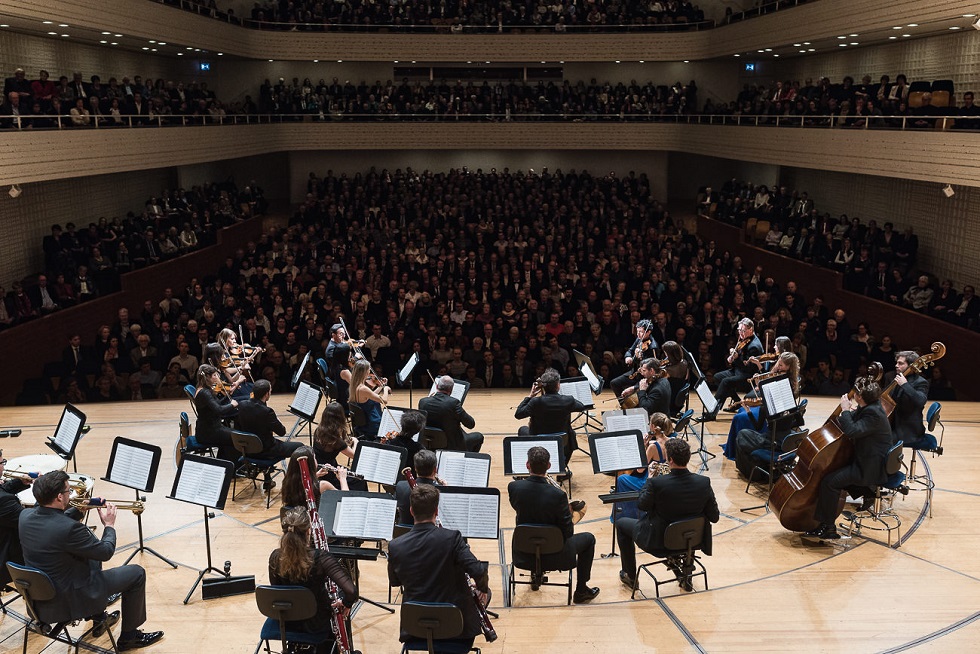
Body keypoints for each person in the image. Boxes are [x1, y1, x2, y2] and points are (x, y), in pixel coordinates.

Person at [19, 470, 164, 650]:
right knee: (136, 573)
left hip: (37, 600)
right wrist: (109, 525)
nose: (70, 493)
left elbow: (53, 524)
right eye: (68, 491)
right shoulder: (69, 529)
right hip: (70, 600)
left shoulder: (25, 517)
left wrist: (78, 510)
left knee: (88, 558)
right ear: (58, 497)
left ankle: (99, 618)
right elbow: (105, 552)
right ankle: (129, 636)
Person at [387, 484, 490, 653]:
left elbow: (395, 582)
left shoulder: (395, 546)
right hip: (456, 629)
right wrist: (482, 589)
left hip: (415, 626)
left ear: (411, 511)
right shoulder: (452, 538)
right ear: (436, 511)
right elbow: (478, 572)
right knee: (483, 594)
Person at [616, 439, 719, 591]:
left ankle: (630, 576)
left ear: (670, 460)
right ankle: (685, 572)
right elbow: (714, 517)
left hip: (660, 542)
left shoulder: (657, 483)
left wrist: (650, 478)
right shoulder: (703, 482)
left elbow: (642, 505)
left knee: (621, 523)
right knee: (686, 523)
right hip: (691, 540)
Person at [804, 375, 893, 541]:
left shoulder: (873, 413)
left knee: (829, 482)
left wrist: (845, 410)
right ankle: (825, 522)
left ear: (859, 397)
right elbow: (853, 422)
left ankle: (828, 527)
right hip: (865, 461)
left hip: (868, 468)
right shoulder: (870, 406)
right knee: (830, 477)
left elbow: (852, 431)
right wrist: (847, 414)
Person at [507, 446, 599, 604]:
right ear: (549, 466)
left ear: (527, 465)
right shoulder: (558, 495)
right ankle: (581, 590)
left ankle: (534, 574)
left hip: (524, 553)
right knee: (589, 539)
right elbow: (568, 532)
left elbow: (522, 508)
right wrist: (567, 512)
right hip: (556, 555)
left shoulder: (514, 487)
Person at [269, 507, 358, 654]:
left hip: (287, 621)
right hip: (315, 623)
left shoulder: (275, 557)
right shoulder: (321, 558)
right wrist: (346, 603)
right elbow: (351, 591)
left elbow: (277, 591)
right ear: (308, 531)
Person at [722, 351, 800, 460]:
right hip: (785, 437)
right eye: (778, 364)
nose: (777, 368)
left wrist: (748, 410)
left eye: (781, 365)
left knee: (742, 435)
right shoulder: (789, 395)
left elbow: (758, 427)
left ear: (789, 367)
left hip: (771, 441)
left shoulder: (768, 406)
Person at [236, 379, 304, 489]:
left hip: (247, 450)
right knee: (300, 447)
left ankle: (268, 479)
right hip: (266, 451)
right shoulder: (267, 411)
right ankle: (295, 483)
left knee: (263, 438)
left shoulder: (242, 405)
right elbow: (282, 432)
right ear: (267, 394)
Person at [514, 368, 585, 466]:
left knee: (522, 430)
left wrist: (530, 396)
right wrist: (562, 397)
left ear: (542, 386)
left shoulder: (535, 402)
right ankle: (563, 466)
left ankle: (533, 464)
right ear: (558, 385)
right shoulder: (568, 400)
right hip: (561, 439)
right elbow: (581, 406)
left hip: (538, 439)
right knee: (571, 434)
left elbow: (518, 414)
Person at [611, 413, 674, 522]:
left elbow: (640, 469)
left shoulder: (653, 447)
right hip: (666, 478)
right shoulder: (672, 441)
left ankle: (623, 516)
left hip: (652, 480)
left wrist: (645, 445)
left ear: (653, 427)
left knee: (622, 479)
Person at [312, 401, 367, 492]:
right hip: (329, 473)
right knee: (359, 480)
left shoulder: (319, 430)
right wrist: (356, 442)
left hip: (320, 467)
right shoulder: (336, 440)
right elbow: (354, 455)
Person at [419, 375, 483, 452]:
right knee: (479, 437)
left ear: (436, 386)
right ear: (451, 389)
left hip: (430, 442)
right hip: (450, 444)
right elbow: (471, 424)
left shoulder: (423, 402)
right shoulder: (453, 403)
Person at [714, 317, 764, 413]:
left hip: (748, 375)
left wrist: (736, 359)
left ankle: (712, 411)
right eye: (739, 330)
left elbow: (749, 369)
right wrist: (733, 355)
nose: (740, 333)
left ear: (751, 330)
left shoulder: (754, 347)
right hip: (739, 370)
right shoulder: (744, 338)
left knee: (725, 382)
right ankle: (737, 401)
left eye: (743, 330)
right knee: (717, 377)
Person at [192, 364, 239, 461]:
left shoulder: (204, 389)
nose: (217, 377)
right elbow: (219, 410)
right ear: (207, 377)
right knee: (238, 438)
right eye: (214, 375)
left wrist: (228, 395)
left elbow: (216, 405)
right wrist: (232, 405)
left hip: (210, 428)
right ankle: (231, 467)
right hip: (209, 432)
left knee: (233, 437)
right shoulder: (205, 393)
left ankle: (224, 464)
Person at [890, 350, 930, 447]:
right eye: (896, 362)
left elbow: (920, 401)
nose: (896, 365)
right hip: (896, 424)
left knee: (876, 441)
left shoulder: (920, 382)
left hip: (909, 431)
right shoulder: (900, 378)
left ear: (911, 366)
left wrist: (905, 385)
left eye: (900, 363)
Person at [610, 319, 655, 397]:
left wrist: (639, 358)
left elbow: (650, 368)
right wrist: (628, 357)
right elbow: (630, 350)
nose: (638, 334)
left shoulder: (652, 347)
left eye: (641, 332)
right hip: (634, 373)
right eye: (637, 331)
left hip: (644, 377)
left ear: (648, 332)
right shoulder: (639, 339)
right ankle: (624, 404)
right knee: (614, 383)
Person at [394, 449, 440, 526]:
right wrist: (446, 488)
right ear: (435, 469)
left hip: (403, 535)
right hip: (430, 535)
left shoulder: (401, 486)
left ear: (415, 468)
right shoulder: (440, 490)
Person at [349, 359, 389, 440]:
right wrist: (386, 389)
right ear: (365, 372)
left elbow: (371, 395)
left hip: (365, 422)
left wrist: (381, 386)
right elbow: (384, 401)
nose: (370, 371)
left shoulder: (355, 386)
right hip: (372, 423)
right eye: (369, 369)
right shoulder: (363, 389)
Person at [385, 409, 426, 478]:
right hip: (410, 482)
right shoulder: (418, 448)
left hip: (389, 480)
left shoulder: (389, 442)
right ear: (418, 430)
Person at [325, 324, 353, 411]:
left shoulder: (339, 344)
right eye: (341, 334)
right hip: (338, 378)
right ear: (333, 335)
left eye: (344, 333)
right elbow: (339, 361)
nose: (344, 336)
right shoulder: (331, 348)